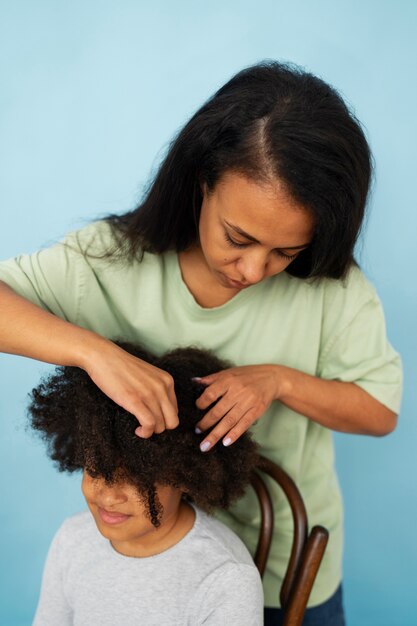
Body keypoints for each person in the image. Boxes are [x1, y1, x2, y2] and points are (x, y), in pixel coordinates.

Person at [0, 61, 402, 625]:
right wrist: (91, 351)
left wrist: (280, 381)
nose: (255, 269)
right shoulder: (108, 262)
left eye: (285, 252)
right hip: (146, 566)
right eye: (238, 238)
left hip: (284, 574)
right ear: (200, 182)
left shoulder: (334, 291)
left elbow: (380, 412)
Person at [28, 342, 263, 625]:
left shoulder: (225, 578)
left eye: (136, 479)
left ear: (185, 476)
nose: (109, 496)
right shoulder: (72, 539)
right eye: (95, 469)